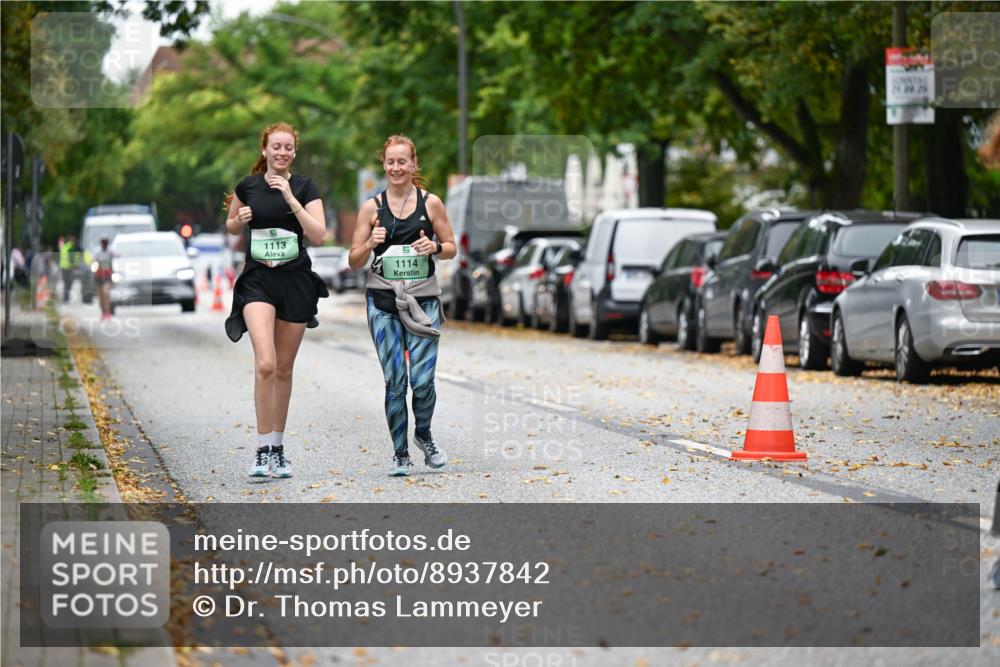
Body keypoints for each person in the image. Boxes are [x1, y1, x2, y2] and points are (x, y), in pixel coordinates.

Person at [223, 122, 328, 480]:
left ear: (294, 152)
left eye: (288, 147)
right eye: (276, 147)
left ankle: (278, 449)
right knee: (265, 363)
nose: (281, 152)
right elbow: (231, 225)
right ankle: (261, 448)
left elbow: (319, 234)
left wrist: (291, 199)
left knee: (283, 369)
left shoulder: (304, 187)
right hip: (258, 281)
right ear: (264, 150)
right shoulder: (248, 186)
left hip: (295, 281)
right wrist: (239, 219)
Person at [349, 134, 457, 477]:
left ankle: (423, 434)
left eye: (402, 161)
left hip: (423, 300)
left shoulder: (431, 203)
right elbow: (354, 259)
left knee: (422, 381)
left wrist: (434, 248)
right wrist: (370, 242)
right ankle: (400, 454)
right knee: (395, 381)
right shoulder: (371, 207)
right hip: (383, 301)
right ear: (384, 165)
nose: (396, 168)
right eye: (391, 162)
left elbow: (451, 246)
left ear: (414, 164)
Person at [92, 238, 114, 319]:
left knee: (106, 292)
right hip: (99, 275)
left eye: (106, 243)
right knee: (100, 296)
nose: (105, 244)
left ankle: (108, 311)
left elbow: (116, 257)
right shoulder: (97, 251)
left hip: (107, 276)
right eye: (103, 243)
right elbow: (93, 261)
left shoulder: (110, 251)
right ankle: (103, 312)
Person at [59, 235, 77, 303]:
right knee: (69, 283)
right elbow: (71, 257)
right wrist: (74, 266)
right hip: (68, 267)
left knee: (66, 283)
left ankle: (65, 298)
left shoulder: (65, 246)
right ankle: (66, 297)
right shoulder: (71, 247)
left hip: (63, 267)